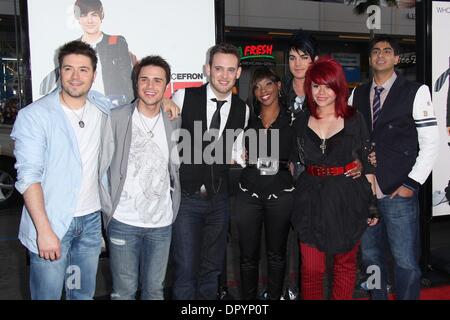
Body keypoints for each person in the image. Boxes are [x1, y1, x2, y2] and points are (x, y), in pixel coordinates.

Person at [11, 40, 114, 300]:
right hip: (52, 222)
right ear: (60, 71)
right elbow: (28, 177)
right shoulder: (35, 116)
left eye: (83, 69)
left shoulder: (102, 108)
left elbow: (135, 110)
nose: (75, 77)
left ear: (94, 73)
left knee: (80, 293)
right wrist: (44, 231)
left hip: (90, 223)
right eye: (68, 69)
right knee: (47, 296)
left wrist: (166, 104)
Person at [350, 36, 440, 300]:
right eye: (375, 51)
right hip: (366, 193)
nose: (380, 55)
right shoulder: (357, 93)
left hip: (398, 191)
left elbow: (430, 143)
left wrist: (411, 185)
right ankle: (377, 296)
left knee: (406, 262)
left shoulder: (415, 91)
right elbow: (352, 138)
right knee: (370, 257)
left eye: (387, 51)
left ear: (396, 59)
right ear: (369, 59)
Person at [292, 56, 378, 300]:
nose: (321, 92)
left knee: (345, 265)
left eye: (328, 85)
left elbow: (369, 164)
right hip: (310, 199)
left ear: (338, 87)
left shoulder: (354, 119)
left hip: (347, 198)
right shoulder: (300, 121)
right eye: (316, 85)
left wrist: (372, 204)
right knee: (311, 268)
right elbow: (292, 160)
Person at [170, 43, 249, 300]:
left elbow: (235, 151)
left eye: (230, 70)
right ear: (207, 69)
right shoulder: (183, 97)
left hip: (219, 201)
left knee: (212, 270)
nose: (224, 75)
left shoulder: (243, 109)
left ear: (238, 72)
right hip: (187, 200)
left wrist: (244, 157)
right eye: (218, 69)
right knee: (185, 271)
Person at [102, 56, 181, 300]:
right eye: (144, 79)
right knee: (123, 292)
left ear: (166, 86)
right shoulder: (116, 117)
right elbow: (101, 167)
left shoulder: (174, 120)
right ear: (136, 83)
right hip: (123, 221)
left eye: (158, 81)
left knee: (155, 291)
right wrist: (108, 210)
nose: (150, 86)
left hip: (161, 224)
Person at [235, 67, 295, 300]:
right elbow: (232, 150)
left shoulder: (293, 119)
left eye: (268, 84)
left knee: (276, 255)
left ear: (279, 85)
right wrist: (241, 156)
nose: (263, 91)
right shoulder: (247, 118)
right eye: (257, 86)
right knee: (248, 256)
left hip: (280, 194)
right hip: (248, 193)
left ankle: (274, 297)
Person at [40, 0, 134, 106]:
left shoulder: (116, 42)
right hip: (81, 108)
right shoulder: (71, 48)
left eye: (94, 15)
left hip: (114, 107)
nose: (89, 20)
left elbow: (128, 80)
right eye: (84, 15)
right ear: (78, 18)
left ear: (101, 15)